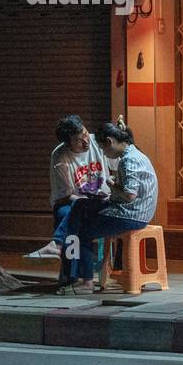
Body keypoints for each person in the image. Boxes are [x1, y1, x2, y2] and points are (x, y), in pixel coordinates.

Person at [53, 122, 159, 293]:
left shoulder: (128, 160)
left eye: (103, 148)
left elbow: (130, 195)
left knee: (81, 232)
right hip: (130, 209)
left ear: (110, 142)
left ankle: (85, 281)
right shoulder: (134, 152)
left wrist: (111, 183)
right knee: (79, 206)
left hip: (131, 214)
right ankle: (58, 246)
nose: (101, 152)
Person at [25, 115, 112, 259]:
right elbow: (64, 196)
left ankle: (59, 248)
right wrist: (84, 202)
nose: (85, 142)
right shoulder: (59, 156)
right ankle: (70, 271)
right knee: (67, 214)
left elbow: (117, 163)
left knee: (83, 218)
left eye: (85, 134)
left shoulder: (97, 142)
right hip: (71, 201)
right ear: (68, 143)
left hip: (101, 200)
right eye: (78, 140)